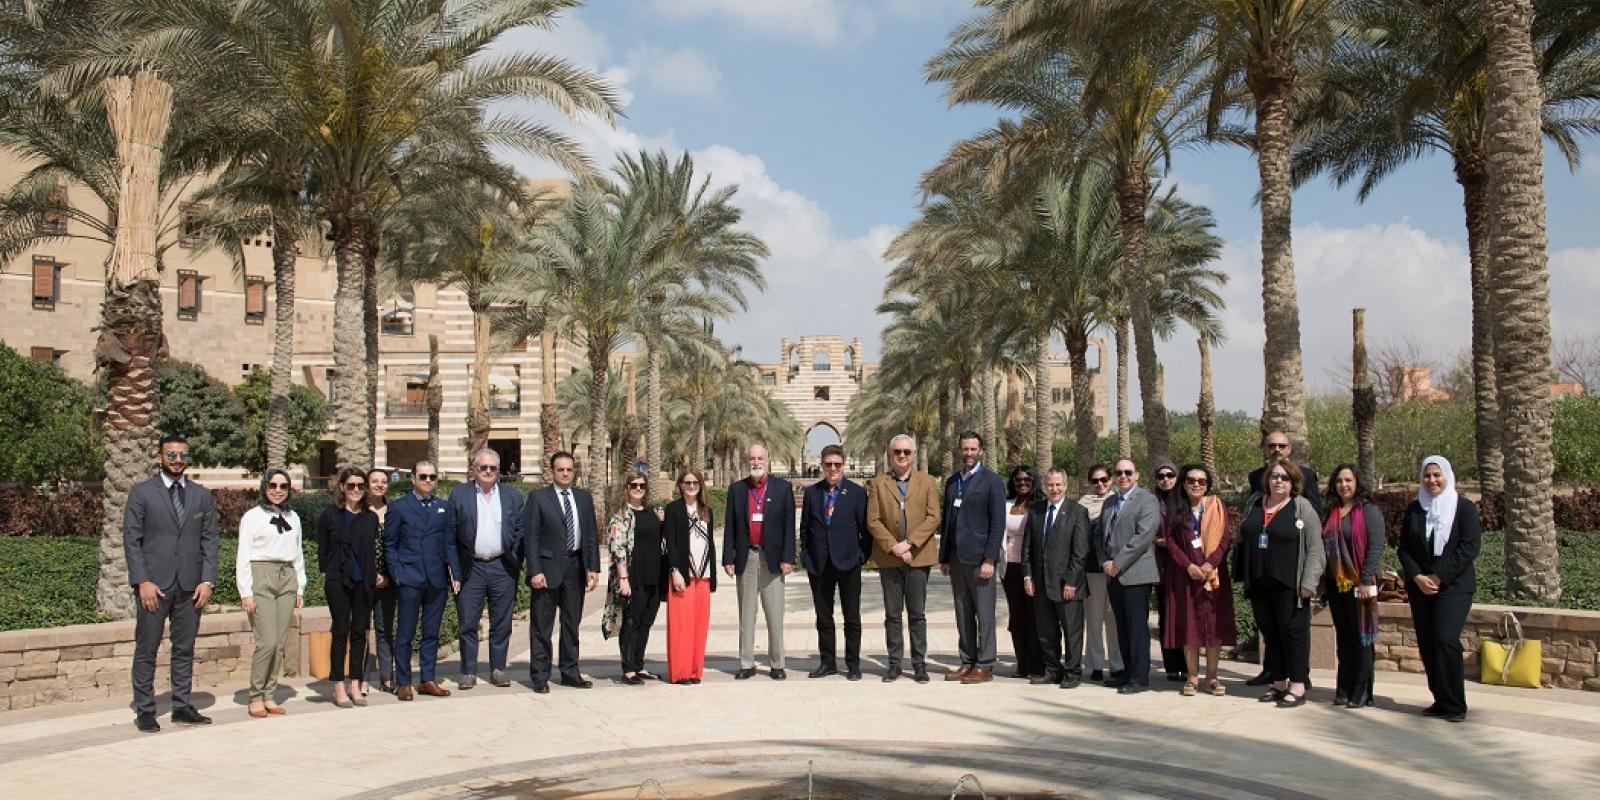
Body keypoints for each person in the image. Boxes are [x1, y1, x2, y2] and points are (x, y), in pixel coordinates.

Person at [124, 435, 219, 733]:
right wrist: (142, 581)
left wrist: (207, 579)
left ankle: (181, 705)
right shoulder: (141, 493)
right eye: (171, 454)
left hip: (191, 586)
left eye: (182, 455)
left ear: (188, 457)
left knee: (184, 648)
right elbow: (132, 541)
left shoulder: (201, 496)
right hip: (155, 586)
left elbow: (209, 541)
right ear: (160, 457)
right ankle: (145, 710)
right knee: (147, 649)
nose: (177, 460)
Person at [1234, 458, 1325, 708]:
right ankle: (1279, 683)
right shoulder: (1255, 503)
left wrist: (1310, 581)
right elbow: (1244, 536)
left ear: (1293, 482)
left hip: (1290, 584)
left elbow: (1316, 547)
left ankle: (1297, 685)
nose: (1278, 481)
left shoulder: (1301, 507)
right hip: (1260, 580)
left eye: (1284, 477)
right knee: (1271, 635)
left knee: (1292, 635)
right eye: (1274, 476)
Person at [1399, 456, 1481, 723]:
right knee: (1428, 642)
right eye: (1427, 475)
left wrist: (1439, 576)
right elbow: (1404, 548)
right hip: (1421, 586)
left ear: (1447, 475)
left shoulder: (1464, 508)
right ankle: (1440, 698)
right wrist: (1418, 576)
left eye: (1437, 475)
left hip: (1454, 586)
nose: (1432, 480)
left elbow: (1469, 547)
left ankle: (1455, 703)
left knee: (1445, 639)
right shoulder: (1414, 509)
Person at [865, 434, 942, 683]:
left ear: (914, 454)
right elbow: (873, 520)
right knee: (893, 614)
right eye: (897, 452)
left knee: (917, 614)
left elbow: (933, 517)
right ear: (890, 454)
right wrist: (895, 547)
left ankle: (919, 663)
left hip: (918, 556)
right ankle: (895, 663)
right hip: (890, 558)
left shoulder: (927, 482)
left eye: (906, 452)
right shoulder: (878, 484)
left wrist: (909, 543)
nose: (902, 456)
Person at [523, 450, 601, 693]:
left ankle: (570, 672)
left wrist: (593, 567)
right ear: (552, 471)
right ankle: (540, 676)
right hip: (546, 570)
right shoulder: (538, 498)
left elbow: (590, 534)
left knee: (571, 623)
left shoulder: (583, 498)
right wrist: (535, 570)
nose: (565, 473)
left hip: (575, 567)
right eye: (560, 469)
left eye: (569, 469)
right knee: (542, 625)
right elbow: (531, 538)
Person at [384, 460, 461, 701]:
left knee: (431, 633)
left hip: (436, 578)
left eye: (432, 477)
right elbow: (390, 544)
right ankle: (404, 682)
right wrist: (397, 572)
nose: (428, 481)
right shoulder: (399, 507)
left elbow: (450, 543)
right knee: (405, 633)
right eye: (423, 476)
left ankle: (428, 678)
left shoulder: (444, 507)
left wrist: (455, 574)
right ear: (413, 479)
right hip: (410, 577)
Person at [448, 448, 524, 689]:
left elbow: (520, 532)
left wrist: (515, 561)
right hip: (472, 567)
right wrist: (455, 570)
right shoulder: (459, 495)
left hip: (502, 567)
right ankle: (468, 671)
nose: (488, 472)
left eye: (493, 468)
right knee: (468, 622)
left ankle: (498, 668)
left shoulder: (513, 496)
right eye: (483, 468)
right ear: (474, 469)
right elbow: (450, 534)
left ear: (499, 471)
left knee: (501, 623)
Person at [722, 442, 797, 680]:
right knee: (747, 614)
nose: (756, 463)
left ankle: (777, 664)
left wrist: (788, 558)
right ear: (747, 462)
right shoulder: (737, 490)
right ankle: (746, 663)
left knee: (774, 614)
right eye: (752, 459)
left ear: (768, 460)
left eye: (760, 459)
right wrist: (728, 559)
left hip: (773, 559)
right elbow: (730, 528)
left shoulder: (782, 488)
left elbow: (788, 527)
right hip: (747, 557)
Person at [1161, 464, 1236, 697]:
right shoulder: (1176, 509)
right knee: (1190, 627)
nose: (1196, 484)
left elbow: (1225, 537)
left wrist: (1209, 563)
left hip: (1213, 577)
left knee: (1213, 628)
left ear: (1207, 485)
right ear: (1183, 483)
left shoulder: (1216, 506)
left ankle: (1212, 677)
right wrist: (1189, 566)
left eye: (1202, 481)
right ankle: (1192, 677)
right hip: (1186, 578)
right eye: (1191, 480)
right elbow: (1171, 542)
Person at [938, 431, 1006, 684]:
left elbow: (997, 523)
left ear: (981, 451)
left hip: (980, 561)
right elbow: (947, 521)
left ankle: (985, 664)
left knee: (984, 614)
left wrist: (989, 559)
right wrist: (944, 556)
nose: (968, 453)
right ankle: (967, 661)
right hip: (956, 560)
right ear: (960, 450)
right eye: (965, 449)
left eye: (972, 449)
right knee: (963, 612)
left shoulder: (992, 481)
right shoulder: (952, 481)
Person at [237, 468, 306, 716]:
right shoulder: (252, 517)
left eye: (283, 486)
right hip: (261, 575)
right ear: (264, 487)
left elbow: (298, 554)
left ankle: (269, 694)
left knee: (279, 643)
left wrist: (300, 586)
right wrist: (246, 592)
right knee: (265, 642)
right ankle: (255, 695)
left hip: (287, 576)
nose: (278, 490)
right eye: (273, 485)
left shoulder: (294, 517)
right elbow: (243, 555)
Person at [800, 444, 870, 680]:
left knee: (852, 617)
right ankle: (827, 662)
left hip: (848, 563)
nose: (832, 469)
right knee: (823, 617)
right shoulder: (812, 493)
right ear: (822, 465)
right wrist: (806, 557)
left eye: (837, 465)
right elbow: (805, 529)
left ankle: (853, 664)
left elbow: (865, 531)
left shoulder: (857, 493)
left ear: (844, 465)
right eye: (828, 464)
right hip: (819, 565)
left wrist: (861, 556)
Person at [1021, 468, 1092, 689]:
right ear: (1044, 487)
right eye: (1050, 485)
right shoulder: (1036, 511)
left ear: (1065, 485)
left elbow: (1081, 552)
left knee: (1072, 632)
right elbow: (1027, 548)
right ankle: (1052, 670)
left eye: (1058, 484)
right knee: (1046, 632)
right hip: (1041, 584)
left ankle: (1073, 672)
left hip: (1067, 585)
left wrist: (1072, 581)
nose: (1054, 489)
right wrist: (1027, 576)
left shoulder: (1077, 511)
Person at [1095, 458, 1160, 694]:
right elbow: (1101, 535)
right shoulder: (1110, 502)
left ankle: (1139, 677)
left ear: (1137, 475)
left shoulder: (1147, 500)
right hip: (1112, 574)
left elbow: (1143, 538)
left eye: (1128, 472)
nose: (1123, 476)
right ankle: (1127, 673)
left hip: (1135, 574)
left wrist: (1118, 563)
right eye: (1119, 472)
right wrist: (1105, 562)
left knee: (1136, 628)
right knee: (1122, 627)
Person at [1322, 464, 1385, 709]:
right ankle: (1344, 688)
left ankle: (1361, 691)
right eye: (1339, 481)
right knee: (1344, 638)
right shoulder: (1332, 510)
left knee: (1362, 639)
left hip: (1361, 583)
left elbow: (1376, 547)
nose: (1343, 485)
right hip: (1337, 584)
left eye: (1348, 480)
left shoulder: (1368, 511)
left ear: (1357, 482)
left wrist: (1366, 580)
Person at [316, 468, 377, 709]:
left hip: (364, 581)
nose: (355, 490)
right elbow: (322, 549)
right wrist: (326, 574)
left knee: (360, 632)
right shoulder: (330, 515)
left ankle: (355, 683)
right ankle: (338, 684)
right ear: (342, 487)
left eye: (360, 486)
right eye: (350, 485)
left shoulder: (370, 518)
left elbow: (373, 551)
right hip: (337, 580)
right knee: (340, 631)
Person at [604, 467, 667, 684]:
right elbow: (618, 549)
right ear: (626, 488)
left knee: (646, 622)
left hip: (654, 575)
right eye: (634, 485)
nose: (638, 489)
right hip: (633, 577)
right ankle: (628, 668)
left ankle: (639, 665)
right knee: (631, 622)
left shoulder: (652, 512)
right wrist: (623, 579)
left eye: (642, 485)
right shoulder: (620, 516)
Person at [665, 468, 717, 685]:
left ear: (700, 485)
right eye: (687, 483)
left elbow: (710, 543)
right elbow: (670, 543)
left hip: (703, 576)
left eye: (695, 482)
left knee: (699, 625)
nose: (691, 486)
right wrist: (675, 570)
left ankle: (695, 671)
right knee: (681, 626)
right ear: (680, 485)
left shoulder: (707, 510)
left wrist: (713, 574)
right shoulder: (673, 509)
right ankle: (680, 672)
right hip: (682, 576)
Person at [1077, 464, 1123, 684]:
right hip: (1092, 569)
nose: (1100, 484)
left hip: (1115, 569)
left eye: (1104, 479)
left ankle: (1117, 664)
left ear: (1111, 480)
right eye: (1095, 481)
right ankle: (1095, 664)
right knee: (1093, 619)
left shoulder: (1119, 501)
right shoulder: (1082, 505)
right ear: (1089, 482)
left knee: (1113, 617)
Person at [1001, 466, 1045, 679]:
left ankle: (1037, 664)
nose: (1022, 483)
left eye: (1027, 479)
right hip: (1009, 567)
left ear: (1034, 480)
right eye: (1018, 480)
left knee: (1035, 616)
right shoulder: (1007, 504)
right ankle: (1022, 663)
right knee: (1017, 617)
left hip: (1033, 568)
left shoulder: (1040, 506)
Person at [1149, 461, 1189, 683]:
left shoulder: (1184, 502)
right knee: (1166, 617)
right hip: (1160, 567)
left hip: (1182, 566)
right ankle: (1171, 665)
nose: (1165, 480)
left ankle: (1187, 664)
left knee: (1183, 615)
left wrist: (1173, 543)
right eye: (1161, 476)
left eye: (1170, 475)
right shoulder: (1151, 502)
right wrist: (1157, 541)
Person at [366, 469, 393, 696]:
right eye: (375, 481)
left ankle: (386, 677)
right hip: (362, 581)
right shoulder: (358, 511)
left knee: (384, 630)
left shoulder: (394, 511)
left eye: (383, 481)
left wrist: (386, 575)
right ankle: (362, 678)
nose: (379, 485)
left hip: (388, 580)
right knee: (362, 629)